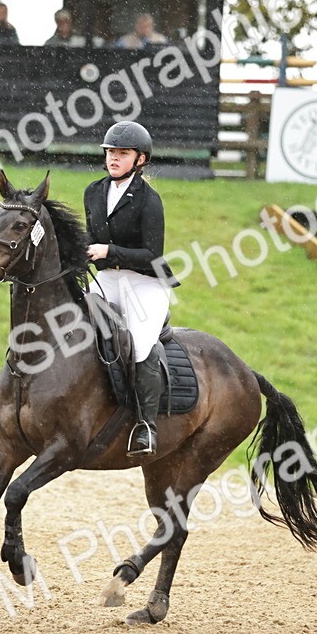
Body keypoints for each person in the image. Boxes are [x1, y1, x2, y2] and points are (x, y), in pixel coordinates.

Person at [83, 121, 178, 457]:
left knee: (138, 346)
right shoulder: (93, 192)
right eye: (110, 152)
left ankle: (146, 426)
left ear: (140, 160)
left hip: (145, 283)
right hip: (108, 279)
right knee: (73, 327)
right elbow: (88, 237)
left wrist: (108, 251)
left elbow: (152, 253)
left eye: (122, 153)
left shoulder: (149, 200)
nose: (113, 158)